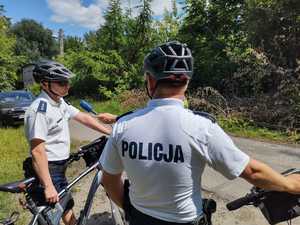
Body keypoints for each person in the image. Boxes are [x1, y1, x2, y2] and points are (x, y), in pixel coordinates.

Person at [99, 41, 300, 225]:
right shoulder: (201, 127)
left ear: (150, 81)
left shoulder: (123, 125)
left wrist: (130, 210)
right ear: (186, 82)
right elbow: (252, 172)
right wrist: (290, 185)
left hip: (139, 218)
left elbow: (108, 180)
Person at [24, 60, 111, 225]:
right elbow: (37, 151)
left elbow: (82, 117)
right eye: (62, 82)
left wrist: (110, 132)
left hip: (60, 166)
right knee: (51, 216)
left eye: (67, 81)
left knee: (66, 205)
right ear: (44, 84)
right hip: (48, 169)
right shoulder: (39, 110)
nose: (67, 86)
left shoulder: (59, 101)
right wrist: (48, 185)